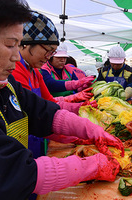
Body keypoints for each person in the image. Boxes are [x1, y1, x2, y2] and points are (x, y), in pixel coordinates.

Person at [0, 1, 124, 199]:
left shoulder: (7, 83)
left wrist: (88, 129)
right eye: (10, 45)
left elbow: (42, 111)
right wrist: (90, 166)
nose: (16, 56)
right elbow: (12, 171)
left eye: (18, 45)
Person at [13, 12, 97, 158]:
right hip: (20, 146)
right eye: (47, 50)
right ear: (28, 42)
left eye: (52, 52)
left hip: (37, 140)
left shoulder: (34, 71)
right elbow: (36, 114)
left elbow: (50, 104)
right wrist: (73, 134)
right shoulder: (15, 70)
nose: (48, 57)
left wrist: (79, 108)